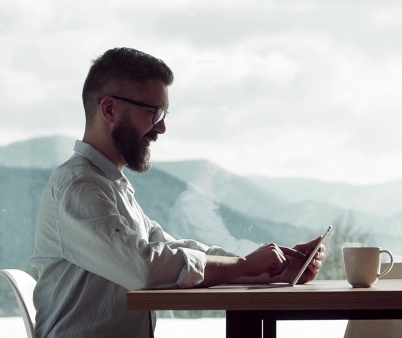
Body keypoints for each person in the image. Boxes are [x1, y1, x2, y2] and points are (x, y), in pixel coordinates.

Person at [30, 47, 326, 338]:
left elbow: (176, 252)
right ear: (109, 109)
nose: (162, 128)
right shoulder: (78, 187)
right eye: (154, 113)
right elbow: (145, 268)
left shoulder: (110, 185)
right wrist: (244, 265)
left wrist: (272, 270)